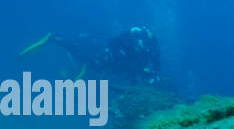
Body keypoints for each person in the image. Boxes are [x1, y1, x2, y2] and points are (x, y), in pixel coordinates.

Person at [20, 26, 162, 85]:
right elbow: (113, 44)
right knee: (85, 58)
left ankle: (59, 41)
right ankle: (55, 38)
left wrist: (154, 73)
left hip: (113, 59)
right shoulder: (139, 46)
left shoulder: (148, 48)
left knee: (90, 62)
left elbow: (154, 62)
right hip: (109, 57)